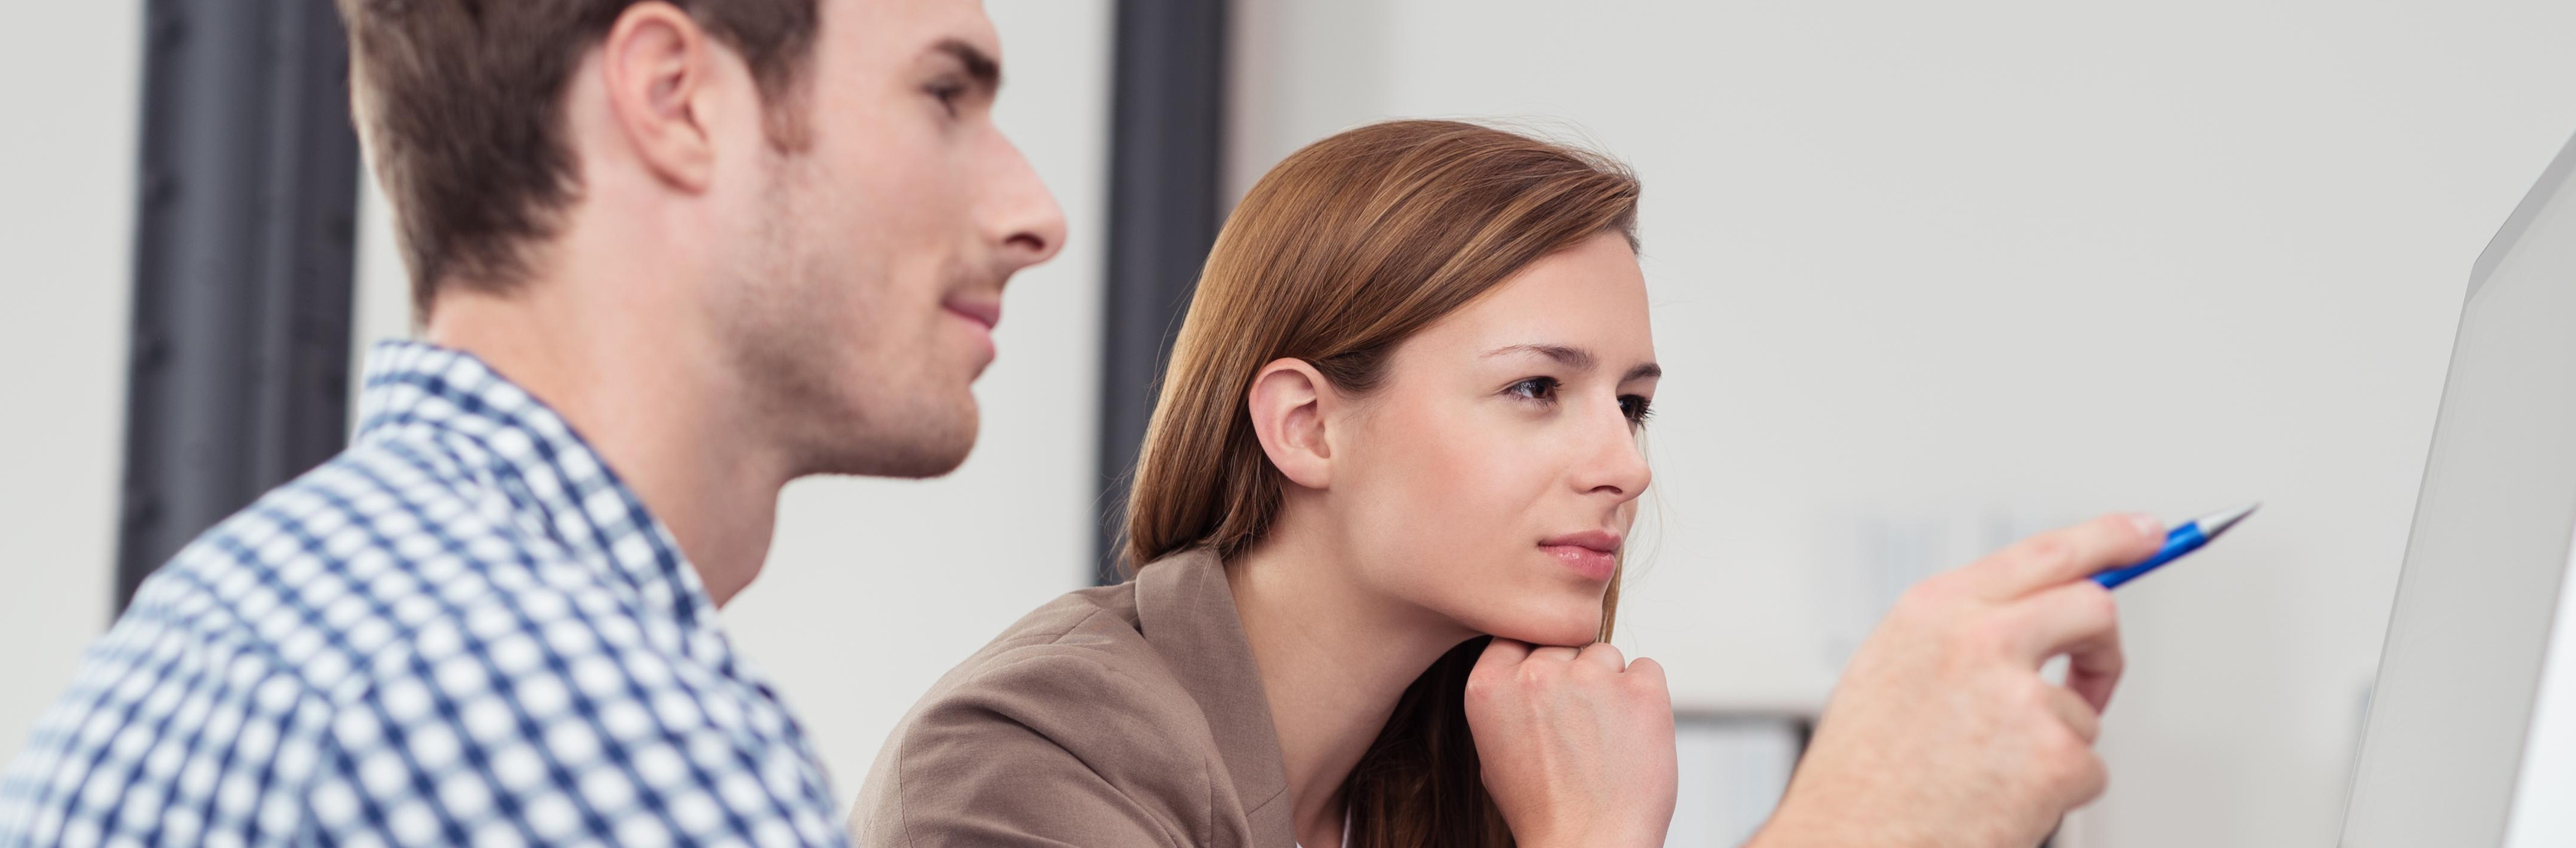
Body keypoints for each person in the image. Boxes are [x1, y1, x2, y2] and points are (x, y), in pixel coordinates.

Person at [0, 0, 2163, 845]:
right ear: (674, 103)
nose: (1031, 204)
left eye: (1634, 395)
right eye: (947, 90)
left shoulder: (312, 616)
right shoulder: (553, 713)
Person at [850, 119, 2162, 848]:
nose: (1625, 463)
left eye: (1634, 403)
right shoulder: (1023, 760)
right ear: (1306, 426)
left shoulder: (1471, 747)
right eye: (1538, 388)